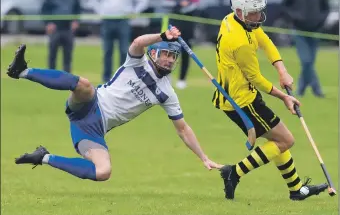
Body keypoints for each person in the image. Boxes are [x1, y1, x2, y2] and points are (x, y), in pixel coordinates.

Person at [8, 27, 222, 182]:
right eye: (165, 54)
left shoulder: (167, 93)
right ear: (154, 53)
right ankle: (23, 71)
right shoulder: (137, 61)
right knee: (84, 85)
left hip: (93, 130)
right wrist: (162, 36)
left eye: (173, 57)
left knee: (103, 172)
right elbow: (138, 42)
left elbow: (183, 129)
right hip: (90, 104)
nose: (169, 60)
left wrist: (204, 157)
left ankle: (43, 157)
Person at [213, 0, 328, 201]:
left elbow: (264, 40)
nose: (258, 17)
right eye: (253, 13)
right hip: (241, 102)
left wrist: (282, 70)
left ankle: (296, 190)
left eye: (259, 11)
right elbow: (256, 78)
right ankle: (234, 172)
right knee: (285, 140)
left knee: (278, 140)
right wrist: (284, 96)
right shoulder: (239, 42)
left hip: (240, 95)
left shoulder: (233, 19)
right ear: (240, 12)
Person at [89, 0, 149, 83]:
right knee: (107, 50)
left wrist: (135, 11)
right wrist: (101, 11)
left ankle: (123, 77)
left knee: (124, 50)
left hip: (123, 21)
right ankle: (106, 78)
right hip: (107, 20)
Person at [281, 0, 329, 97]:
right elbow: (285, 6)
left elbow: (326, 8)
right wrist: (294, 18)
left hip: (315, 30)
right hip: (299, 30)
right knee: (306, 61)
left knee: (309, 63)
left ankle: (301, 90)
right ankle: (317, 90)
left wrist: (320, 20)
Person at [162, 0, 200, 89]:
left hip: (188, 28)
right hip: (173, 26)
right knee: (170, 51)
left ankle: (182, 79)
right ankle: (166, 75)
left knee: (186, 52)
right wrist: (179, 4)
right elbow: (165, 2)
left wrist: (183, 7)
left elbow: (194, 6)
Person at [41, 0, 81, 73]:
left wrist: (76, 21)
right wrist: (48, 23)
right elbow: (44, 10)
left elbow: (78, 9)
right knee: (52, 54)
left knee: (68, 55)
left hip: (68, 29)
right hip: (55, 29)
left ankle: (66, 79)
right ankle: (50, 76)